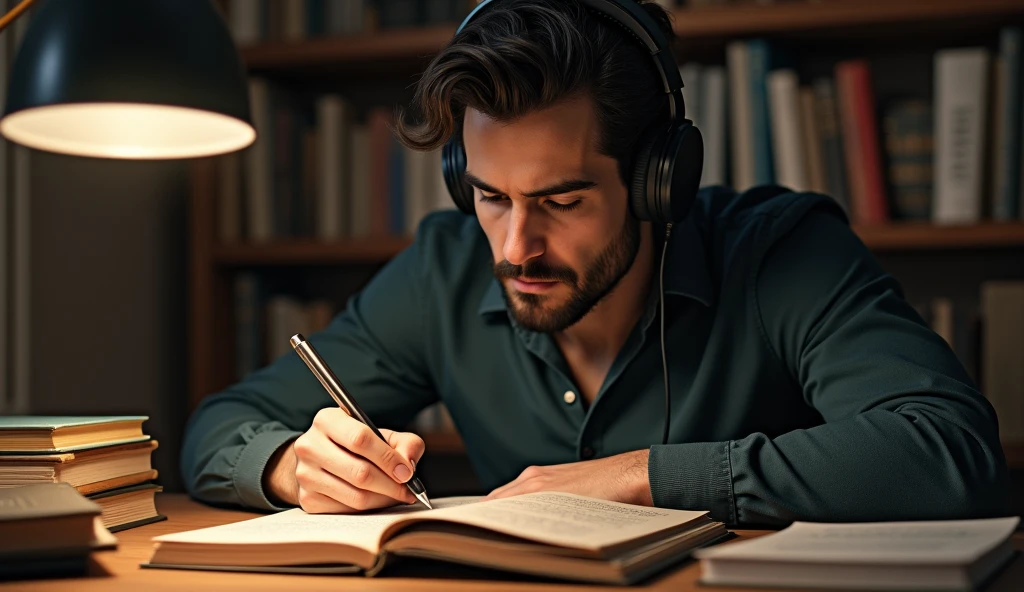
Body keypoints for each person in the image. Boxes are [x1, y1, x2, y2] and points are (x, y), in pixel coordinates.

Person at [181, 0, 1008, 526]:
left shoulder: (783, 253)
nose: (513, 249)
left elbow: (947, 453)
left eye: (562, 201)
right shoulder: (443, 269)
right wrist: (297, 466)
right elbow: (216, 429)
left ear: (659, 181)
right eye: (491, 196)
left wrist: (640, 477)